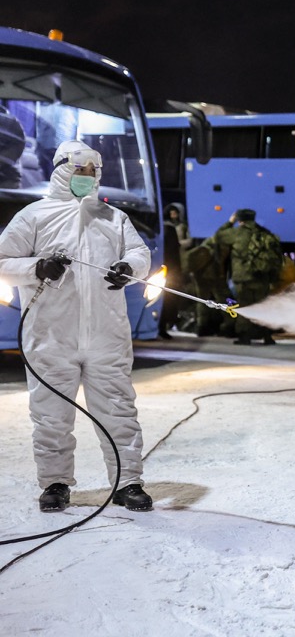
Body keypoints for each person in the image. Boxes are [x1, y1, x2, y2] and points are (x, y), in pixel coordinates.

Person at [0, 140, 153, 512]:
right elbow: (3, 259)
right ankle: (55, 483)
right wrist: (36, 267)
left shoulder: (113, 218)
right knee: (50, 414)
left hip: (106, 335)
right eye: (80, 170)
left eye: (92, 171)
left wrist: (129, 269)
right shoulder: (33, 216)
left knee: (118, 410)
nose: (87, 177)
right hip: (50, 335)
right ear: (62, 170)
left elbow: (140, 253)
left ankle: (128, 482)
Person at [205, 208, 281, 345]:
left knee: (244, 305)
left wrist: (229, 222)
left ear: (240, 220)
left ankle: (245, 337)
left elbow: (218, 236)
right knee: (263, 306)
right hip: (262, 276)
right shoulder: (264, 233)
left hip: (244, 277)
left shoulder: (237, 233)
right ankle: (267, 336)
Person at [158, 202, 192, 339]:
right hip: (170, 267)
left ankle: (164, 325)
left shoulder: (173, 228)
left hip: (169, 266)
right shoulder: (167, 228)